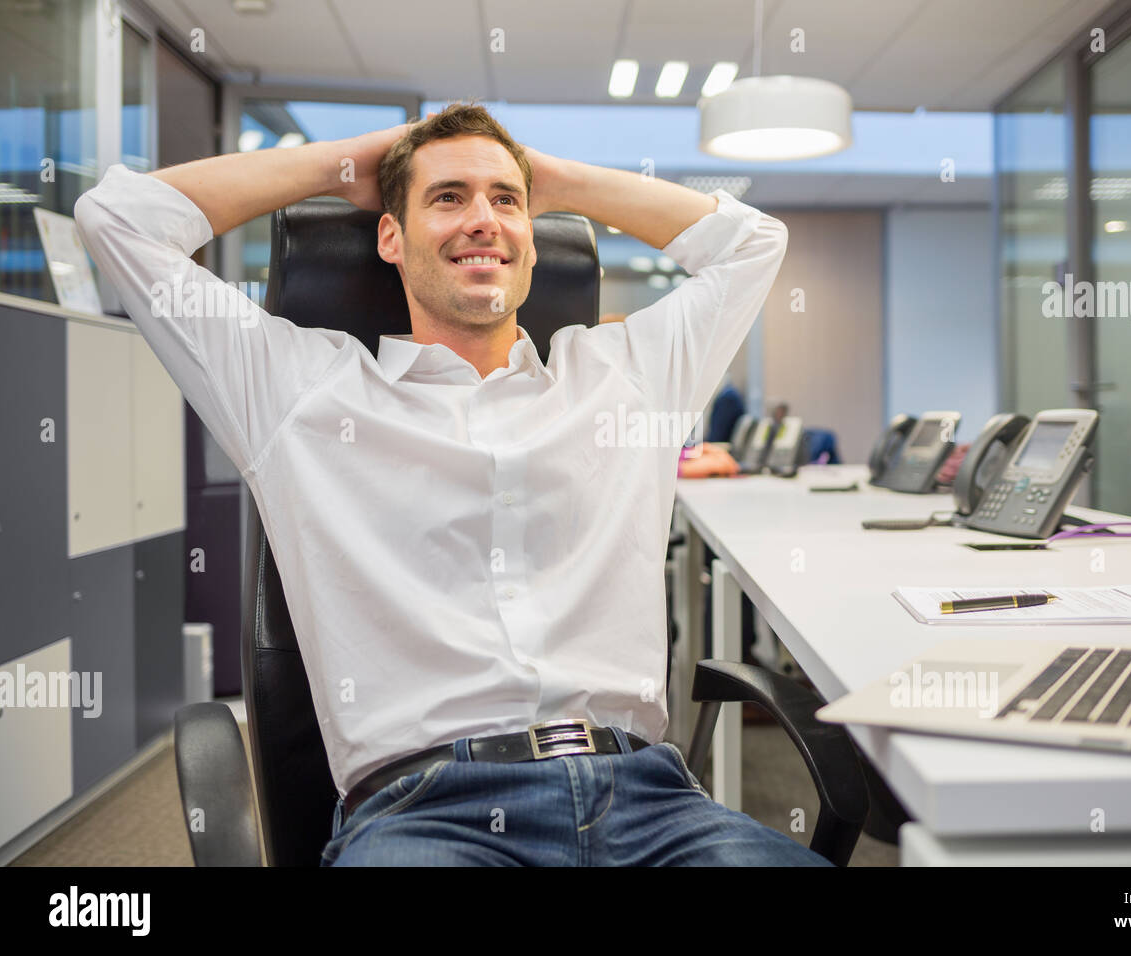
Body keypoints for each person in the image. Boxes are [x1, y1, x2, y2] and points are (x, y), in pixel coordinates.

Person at [73, 102, 829, 866]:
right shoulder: (301, 393)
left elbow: (753, 243)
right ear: (390, 237)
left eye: (506, 201)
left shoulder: (625, 378)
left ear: (534, 238)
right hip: (429, 816)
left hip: (653, 806)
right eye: (447, 198)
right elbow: (119, 220)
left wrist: (552, 178)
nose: (483, 220)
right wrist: (348, 164)